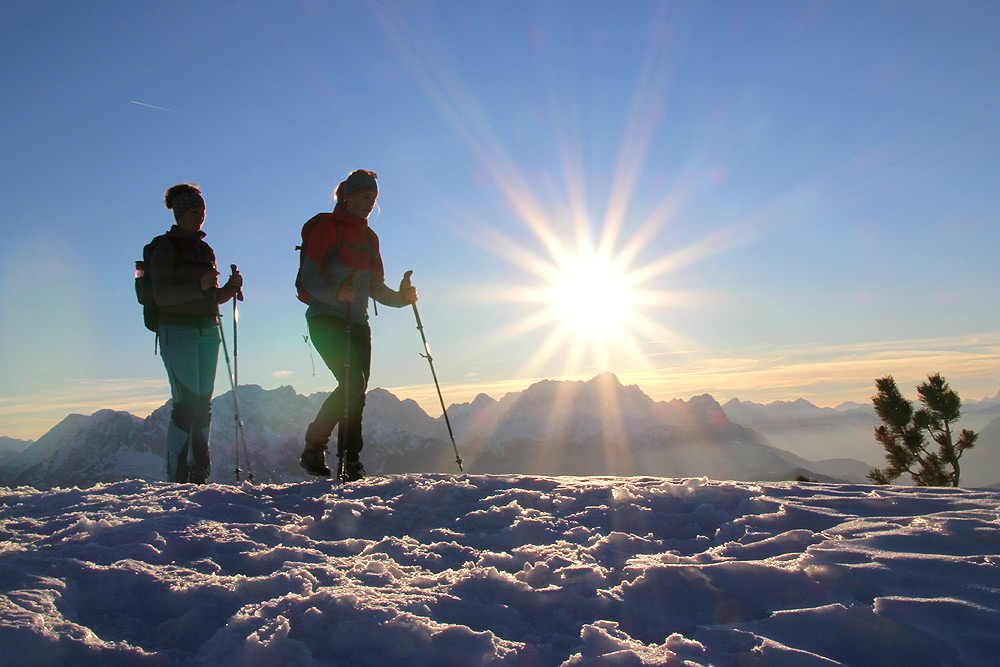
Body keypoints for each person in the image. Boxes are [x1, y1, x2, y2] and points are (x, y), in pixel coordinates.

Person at [297, 170, 417, 481]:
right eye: (365, 196)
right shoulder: (326, 228)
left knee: (357, 389)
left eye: (373, 198)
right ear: (347, 196)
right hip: (325, 317)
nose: (369, 203)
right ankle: (316, 444)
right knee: (351, 382)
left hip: (358, 321)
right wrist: (336, 293)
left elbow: (375, 287)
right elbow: (307, 279)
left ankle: (351, 460)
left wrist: (402, 299)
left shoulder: (369, 238)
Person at [152, 183, 243, 484]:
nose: (199, 216)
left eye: (201, 211)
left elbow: (210, 296)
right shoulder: (165, 247)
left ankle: (198, 472)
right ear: (178, 213)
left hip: (207, 329)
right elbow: (160, 297)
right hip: (177, 331)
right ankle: (179, 477)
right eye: (192, 211)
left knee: (202, 404)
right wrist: (200, 287)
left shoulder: (205, 249)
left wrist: (229, 289)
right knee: (186, 405)